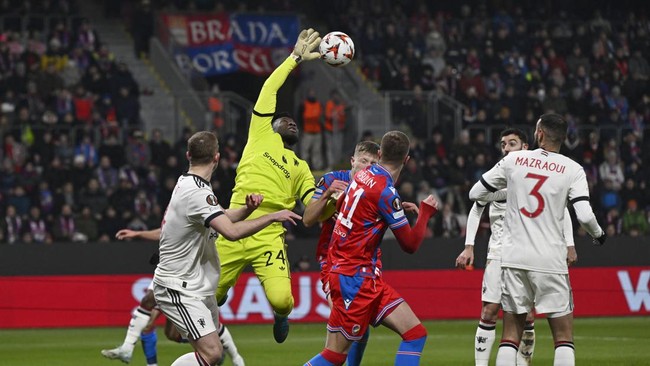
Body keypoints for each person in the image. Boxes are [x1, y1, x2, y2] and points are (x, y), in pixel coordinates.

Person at [152, 131, 301, 366]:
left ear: (189, 155)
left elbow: (221, 216)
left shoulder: (190, 183)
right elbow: (231, 233)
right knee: (211, 353)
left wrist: (248, 209)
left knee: (212, 353)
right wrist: (272, 216)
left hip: (193, 284)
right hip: (178, 285)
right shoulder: (198, 193)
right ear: (217, 158)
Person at [469, 114, 606, 366]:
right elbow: (585, 216)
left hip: (514, 259)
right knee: (563, 338)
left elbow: (475, 193)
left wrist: (509, 192)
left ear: (539, 134)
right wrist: (599, 235)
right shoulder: (573, 169)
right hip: (550, 260)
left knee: (510, 336)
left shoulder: (515, 160)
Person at [215, 28, 322, 344]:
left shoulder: (301, 168)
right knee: (213, 296)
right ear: (271, 123)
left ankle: (280, 316)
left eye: (295, 123)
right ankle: (216, 306)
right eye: (285, 120)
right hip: (232, 224)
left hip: (268, 235)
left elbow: (312, 206)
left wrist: (330, 197)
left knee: (281, 300)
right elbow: (269, 88)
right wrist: (294, 59)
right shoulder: (260, 132)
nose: (292, 122)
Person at [305, 131, 439, 366]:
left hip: (363, 275)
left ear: (379, 154)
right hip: (353, 278)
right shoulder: (386, 193)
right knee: (335, 356)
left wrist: (393, 211)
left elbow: (358, 207)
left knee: (415, 334)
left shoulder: (361, 176)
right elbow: (410, 245)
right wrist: (426, 213)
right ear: (406, 160)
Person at [456, 128, 578, 366]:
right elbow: (477, 205)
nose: (506, 148)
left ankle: (523, 363)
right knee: (489, 311)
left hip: (526, 250)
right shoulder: (498, 174)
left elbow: (562, 209)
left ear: (525, 147)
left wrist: (569, 244)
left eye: (512, 143)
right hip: (498, 251)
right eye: (503, 144)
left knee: (527, 315)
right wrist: (468, 246)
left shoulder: (536, 174)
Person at [102, 227, 245, 366]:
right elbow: (166, 231)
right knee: (167, 330)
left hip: (189, 275)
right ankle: (132, 350)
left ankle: (232, 356)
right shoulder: (183, 213)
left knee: (165, 320)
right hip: (173, 269)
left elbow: (227, 226)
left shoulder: (200, 213)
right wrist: (139, 234)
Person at [302, 140, 381, 366]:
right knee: (345, 331)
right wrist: (328, 193)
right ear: (352, 161)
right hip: (334, 262)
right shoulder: (333, 180)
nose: (367, 167)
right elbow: (308, 219)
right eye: (363, 161)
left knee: (360, 330)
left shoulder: (377, 186)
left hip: (365, 263)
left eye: (373, 163)